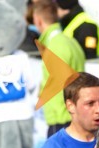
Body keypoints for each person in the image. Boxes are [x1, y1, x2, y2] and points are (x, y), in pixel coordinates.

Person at [33, 0, 85, 137]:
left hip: (62, 119)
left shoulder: (55, 45)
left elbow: (59, 84)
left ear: (38, 20)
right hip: (72, 116)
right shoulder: (69, 41)